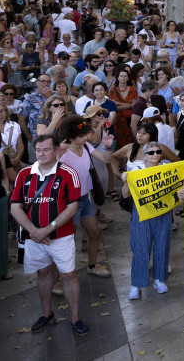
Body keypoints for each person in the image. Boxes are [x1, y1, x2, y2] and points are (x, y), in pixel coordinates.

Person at [9, 135, 89, 335]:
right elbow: (15, 208)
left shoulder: (68, 173)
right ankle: (46, 313)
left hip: (61, 236)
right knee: (43, 273)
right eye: (38, 150)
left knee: (68, 275)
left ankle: (75, 318)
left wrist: (48, 229)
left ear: (56, 151)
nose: (41, 154)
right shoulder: (24, 174)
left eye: (45, 150)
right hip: (34, 237)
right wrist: (34, 231)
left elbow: (72, 207)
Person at [57, 115, 114, 278]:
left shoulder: (87, 146)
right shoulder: (63, 152)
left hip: (85, 198)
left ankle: (92, 265)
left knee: (95, 233)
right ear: (72, 136)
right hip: (68, 202)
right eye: (83, 136)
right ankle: (63, 275)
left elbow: (105, 159)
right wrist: (58, 152)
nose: (87, 138)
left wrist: (108, 147)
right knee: (68, 241)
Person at [120, 141, 173, 299]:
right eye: (151, 152)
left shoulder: (167, 169)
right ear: (144, 155)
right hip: (142, 212)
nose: (155, 155)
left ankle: (159, 279)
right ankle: (136, 284)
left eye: (158, 152)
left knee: (162, 245)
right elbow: (124, 194)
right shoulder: (137, 170)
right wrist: (127, 180)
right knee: (140, 247)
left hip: (163, 211)